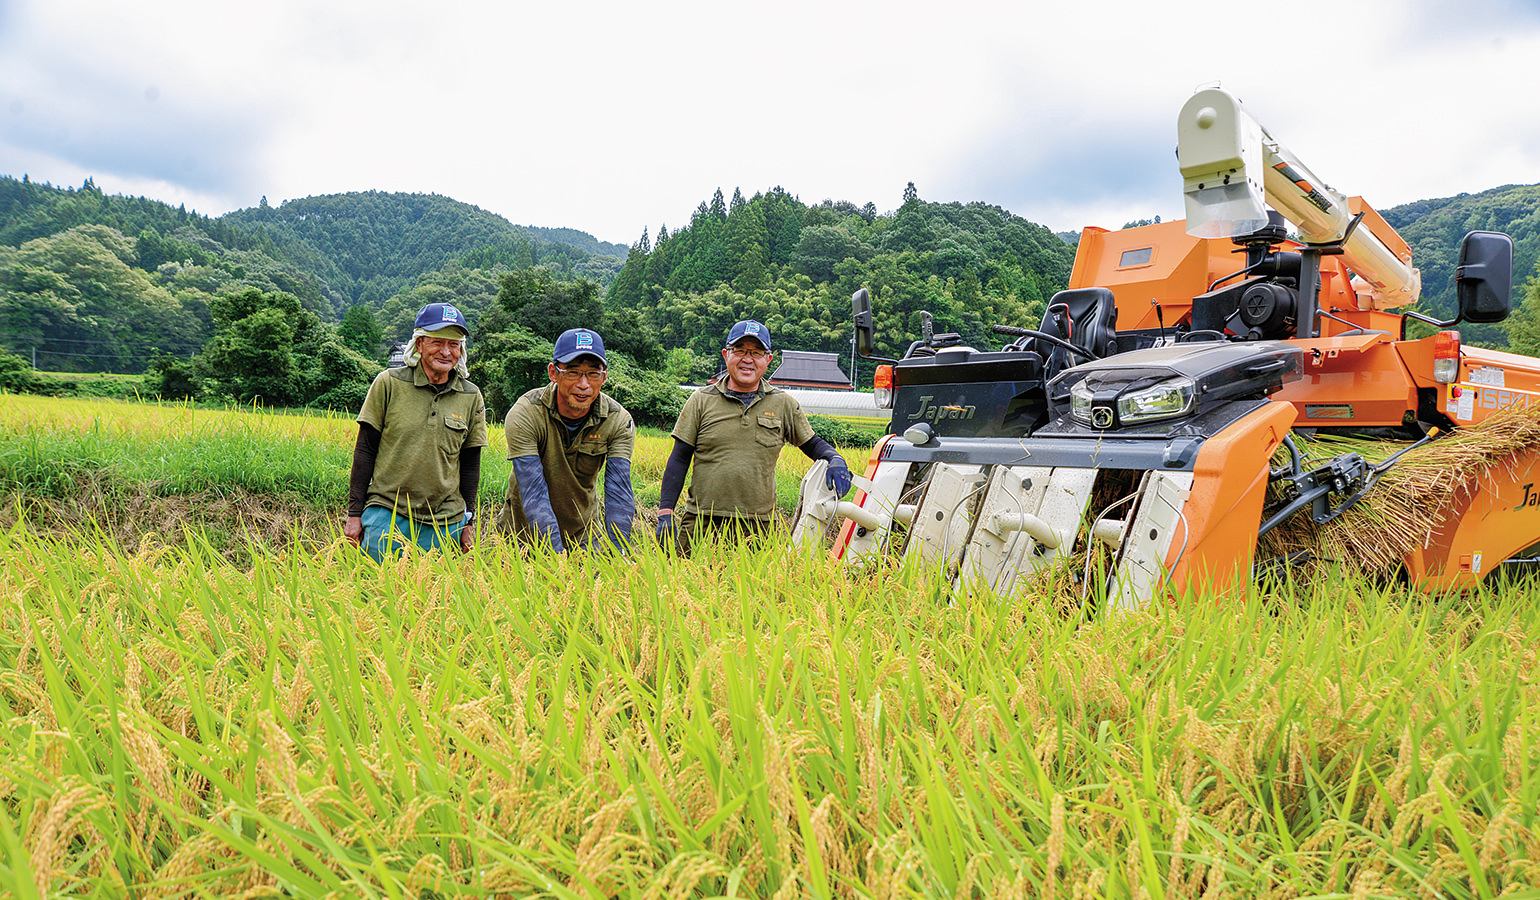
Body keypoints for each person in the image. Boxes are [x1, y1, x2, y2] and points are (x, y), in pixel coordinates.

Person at [655, 319, 852, 553]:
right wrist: (665, 511)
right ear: (726, 354)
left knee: (755, 588)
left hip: (758, 527)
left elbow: (812, 444)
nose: (747, 359)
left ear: (768, 360)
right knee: (686, 585)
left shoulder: (783, 404)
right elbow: (679, 459)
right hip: (702, 521)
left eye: (757, 352)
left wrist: (835, 458)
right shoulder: (701, 400)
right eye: (740, 351)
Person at [346, 303, 487, 561]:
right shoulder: (389, 383)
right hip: (387, 514)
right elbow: (365, 449)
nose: (446, 352)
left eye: (454, 344)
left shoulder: (470, 395)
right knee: (375, 593)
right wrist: (354, 514)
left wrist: (468, 521)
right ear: (419, 344)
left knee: (439, 598)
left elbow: (470, 464)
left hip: (446, 522)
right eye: (437, 342)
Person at [497, 328, 636, 552]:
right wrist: (557, 559)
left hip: (583, 533)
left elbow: (619, 492)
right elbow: (533, 491)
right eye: (573, 372)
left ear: (605, 376)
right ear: (554, 373)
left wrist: (618, 553)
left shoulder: (618, 420)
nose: (584, 384)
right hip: (522, 535)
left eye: (593, 373)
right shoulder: (527, 413)